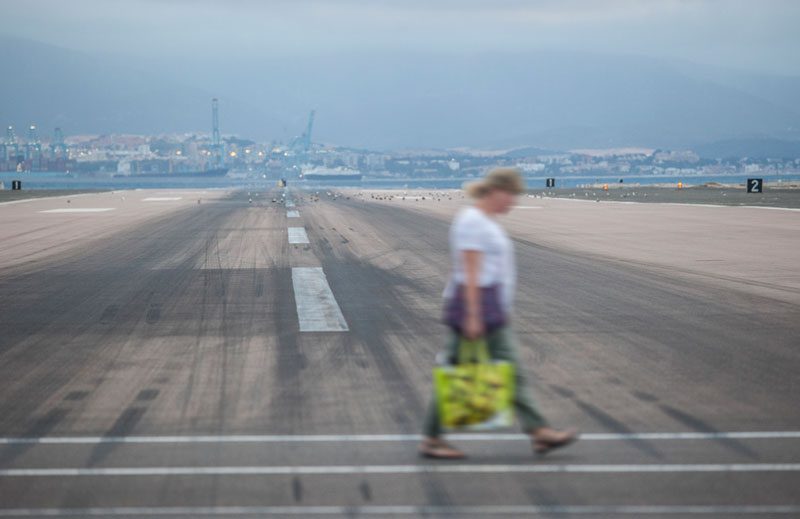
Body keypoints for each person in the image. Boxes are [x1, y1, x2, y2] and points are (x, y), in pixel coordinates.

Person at [420, 167, 579, 459]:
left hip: (489, 307)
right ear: (496, 191)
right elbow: (469, 269)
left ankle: (538, 432)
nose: (513, 202)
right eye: (511, 195)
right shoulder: (473, 221)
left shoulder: (484, 221)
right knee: (482, 369)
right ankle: (537, 431)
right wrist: (473, 315)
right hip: (478, 306)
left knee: (483, 370)